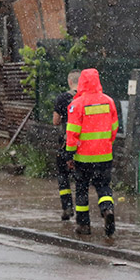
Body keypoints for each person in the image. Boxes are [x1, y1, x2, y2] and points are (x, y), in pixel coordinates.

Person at [64, 68, 119, 237]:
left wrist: (69, 154)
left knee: (81, 189)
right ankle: (107, 209)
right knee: (103, 187)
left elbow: (72, 133)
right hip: (104, 155)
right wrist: (106, 143)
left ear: (81, 83)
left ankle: (83, 225)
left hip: (84, 157)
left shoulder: (76, 104)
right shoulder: (108, 101)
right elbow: (114, 127)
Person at [52, 69, 80, 221]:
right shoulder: (86, 98)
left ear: (70, 82)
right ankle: (84, 210)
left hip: (66, 141)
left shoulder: (62, 98)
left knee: (63, 176)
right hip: (86, 145)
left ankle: (67, 207)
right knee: (82, 178)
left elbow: (56, 121)